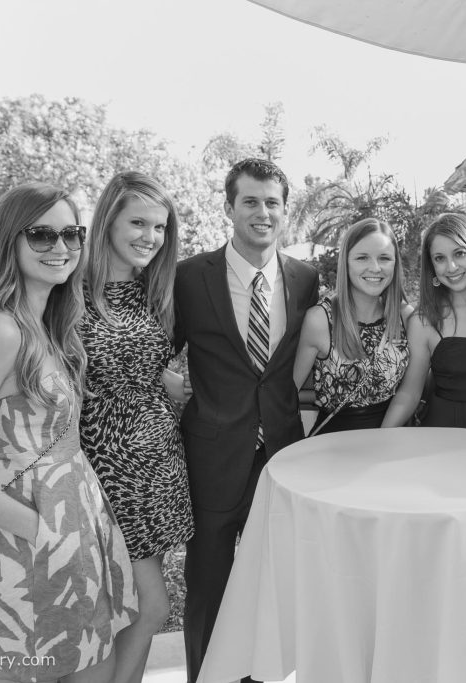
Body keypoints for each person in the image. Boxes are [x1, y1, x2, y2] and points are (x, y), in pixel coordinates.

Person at [0, 182, 137, 683]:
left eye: (71, 234)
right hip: (27, 536)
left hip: (76, 521)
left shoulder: (48, 325)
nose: (60, 247)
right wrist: (40, 530)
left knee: (94, 663)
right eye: (41, 234)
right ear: (9, 241)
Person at [174, 158, 320, 682]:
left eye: (272, 202)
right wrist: (170, 382)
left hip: (281, 454)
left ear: (285, 210)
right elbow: (157, 351)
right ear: (229, 206)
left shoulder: (306, 278)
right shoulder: (189, 277)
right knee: (209, 588)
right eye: (251, 201)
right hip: (212, 455)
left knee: (274, 587)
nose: (263, 212)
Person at [79, 171, 194, 683]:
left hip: (159, 467)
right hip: (108, 472)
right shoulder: (71, 293)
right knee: (147, 607)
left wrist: (169, 382)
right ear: (108, 220)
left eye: (160, 227)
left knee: (136, 610)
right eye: (138, 223)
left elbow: (149, 361)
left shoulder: (154, 291)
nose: (151, 236)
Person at [383, 213, 466, 434]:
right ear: (432, 266)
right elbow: (409, 393)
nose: (451, 267)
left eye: (460, 253)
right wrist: (381, 438)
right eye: (439, 258)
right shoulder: (423, 321)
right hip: (447, 434)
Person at [293, 218, 411, 434]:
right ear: (346, 262)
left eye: (385, 258)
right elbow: (289, 393)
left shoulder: (404, 316)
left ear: (395, 264)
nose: (375, 268)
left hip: (390, 439)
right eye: (362, 257)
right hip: (335, 442)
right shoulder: (321, 319)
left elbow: (412, 389)